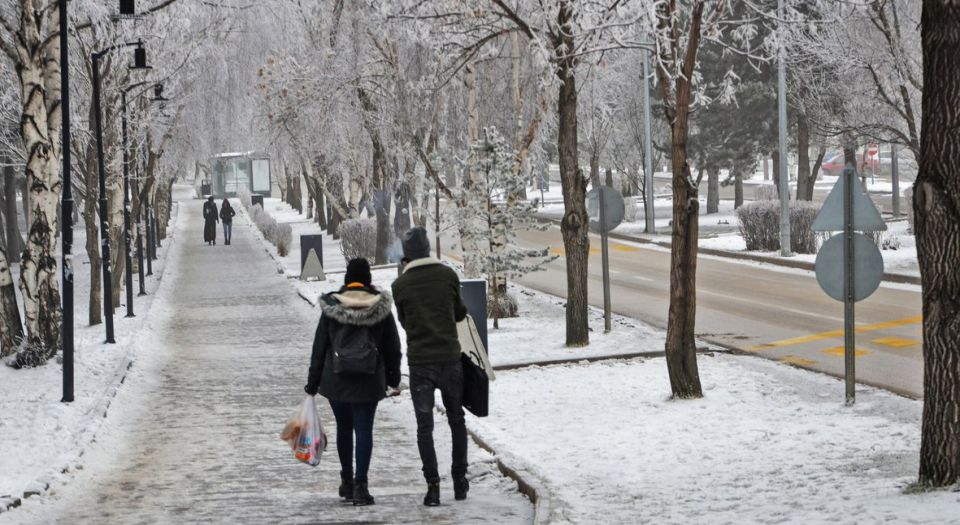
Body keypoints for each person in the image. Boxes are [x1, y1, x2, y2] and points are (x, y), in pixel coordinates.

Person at [305, 258, 401, 507]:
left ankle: (347, 481)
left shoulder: (332, 308)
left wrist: (313, 382)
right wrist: (393, 377)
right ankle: (361, 486)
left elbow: (319, 347)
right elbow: (392, 346)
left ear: (348, 278)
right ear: (367, 278)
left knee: (344, 429)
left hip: (336, 381)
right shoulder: (380, 308)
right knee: (364, 429)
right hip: (369, 381)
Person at [391, 226, 469, 507]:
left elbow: (403, 320)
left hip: (421, 363)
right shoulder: (447, 275)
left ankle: (433, 487)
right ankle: (460, 481)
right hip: (450, 359)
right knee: (456, 419)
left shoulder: (400, 285)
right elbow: (460, 313)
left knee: (425, 426)